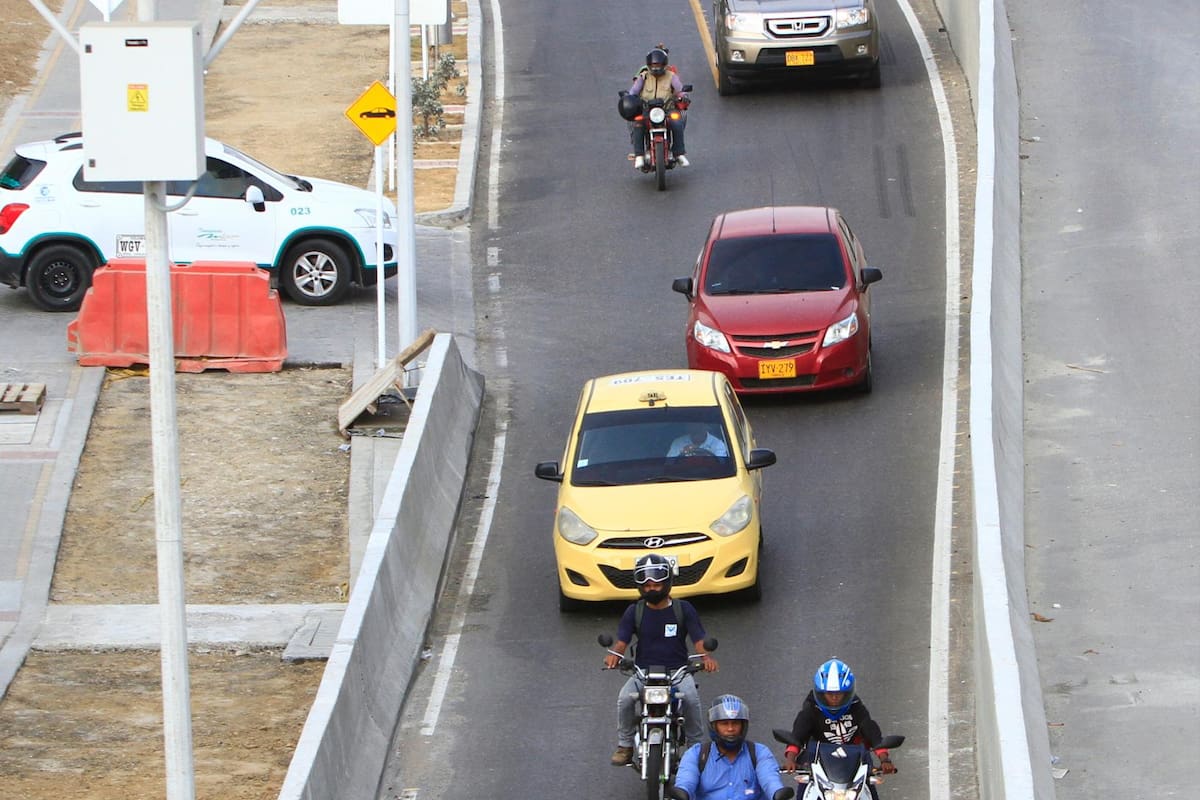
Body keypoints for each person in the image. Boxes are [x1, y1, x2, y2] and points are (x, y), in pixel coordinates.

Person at [605, 553, 718, 766]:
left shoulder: (683, 609)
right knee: (625, 699)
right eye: (646, 584)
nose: (651, 588)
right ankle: (625, 745)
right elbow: (622, 640)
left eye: (656, 583)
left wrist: (706, 658)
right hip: (643, 673)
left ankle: (696, 749)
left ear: (667, 582)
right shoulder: (634, 611)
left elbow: (698, 638)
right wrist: (614, 655)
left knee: (691, 699)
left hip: (677, 672)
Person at [781, 659, 896, 781]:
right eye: (829, 694)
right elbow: (797, 736)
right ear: (820, 693)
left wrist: (885, 760)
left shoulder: (857, 708)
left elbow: (872, 734)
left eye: (839, 694)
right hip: (817, 761)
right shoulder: (811, 710)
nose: (834, 698)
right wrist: (790, 760)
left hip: (854, 760)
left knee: (869, 789)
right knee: (804, 791)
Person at [672, 694, 788, 800]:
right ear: (713, 726)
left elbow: (770, 780)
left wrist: (777, 793)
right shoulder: (696, 754)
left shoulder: (759, 753)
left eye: (735, 723)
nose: (730, 729)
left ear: (743, 726)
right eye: (724, 723)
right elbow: (686, 782)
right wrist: (683, 792)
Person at [625, 45, 690, 170]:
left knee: (677, 122)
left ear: (664, 65)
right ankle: (639, 154)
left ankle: (679, 152)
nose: (656, 69)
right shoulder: (643, 77)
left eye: (658, 66)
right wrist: (628, 97)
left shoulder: (671, 76)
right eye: (653, 66)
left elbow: (680, 89)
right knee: (637, 122)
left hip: (667, 109)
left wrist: (683, 95)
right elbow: (633, 91)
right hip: (647, 110)